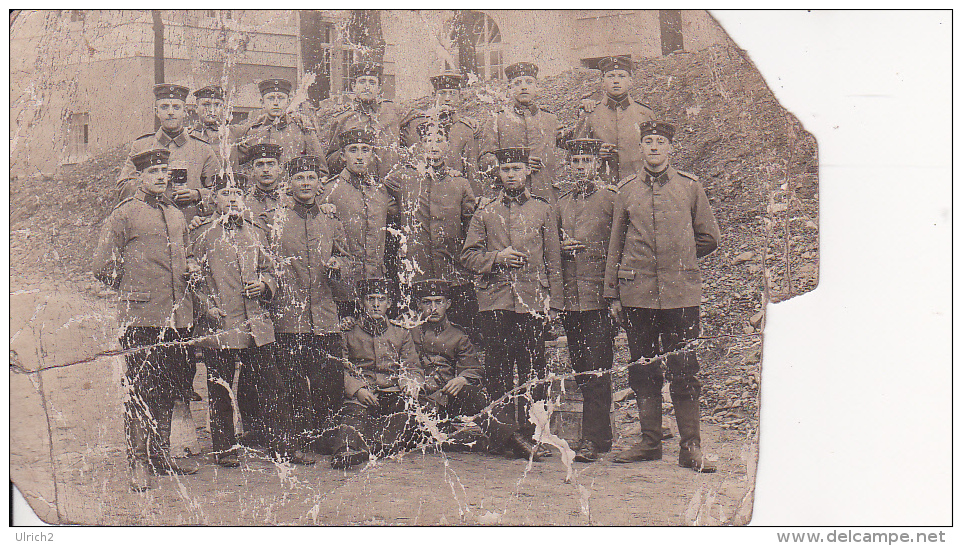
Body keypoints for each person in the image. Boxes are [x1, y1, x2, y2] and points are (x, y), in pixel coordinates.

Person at [604, 122, 721, 472]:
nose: (654, 148)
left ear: (671, 149)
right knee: (644, 368)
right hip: (637, 295)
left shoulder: (690, 187)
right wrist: (613, 294)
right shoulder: (625, 191)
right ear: (640, 148)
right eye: (648, 142)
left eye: (661, 142)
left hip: (680, 295)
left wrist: (679, 261)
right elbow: (615, 245)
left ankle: (691, 447)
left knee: (684, 369)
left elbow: (709, 237)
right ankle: (650, 442)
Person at [188, 174, 312, 466]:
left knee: (273, 385)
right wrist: (207, 308)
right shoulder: (202, 234)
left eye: (236, 192)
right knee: (220, 388)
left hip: (257, 324)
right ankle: (224, 447)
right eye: (224, 193)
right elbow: (191, 280)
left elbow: (272, 269)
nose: (231, 198)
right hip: (220, 323)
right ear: (213, 199)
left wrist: (265, 285)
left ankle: (282, 445)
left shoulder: (256, 230)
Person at [92, 148, 198, 491]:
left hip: (176, 317)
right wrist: (131, 291)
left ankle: (160, 454)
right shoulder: (125, 214)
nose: (160, 177)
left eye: (164, 171)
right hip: (140, 318)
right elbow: (102, 266)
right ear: (139, 177)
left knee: (167, 388)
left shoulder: (175, 213)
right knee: (139, 389)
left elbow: (185, 257)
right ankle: (138, 460)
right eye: (153, 172)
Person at [460, 147, 563, 447]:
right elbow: (468, 256)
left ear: (527, 171)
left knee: (534, 370)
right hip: (496, 302)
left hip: (532, 301)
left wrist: (555, 303)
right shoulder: (485, 212)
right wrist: (498, 258)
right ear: (498, 174)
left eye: (517, 169)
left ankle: (535, 433)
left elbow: (554, 260)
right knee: (498, 370)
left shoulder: (543, 210)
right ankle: (505, 435)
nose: (511, 175)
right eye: (506, 170)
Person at [270, 155, 353, 458]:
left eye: (311, 178)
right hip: (289, 316)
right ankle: (294, 440)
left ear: (320, 184)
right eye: (299, 178)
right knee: (290, 381)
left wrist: (337, 264)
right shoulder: (275, 220)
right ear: (289, 184)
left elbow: (346, 258)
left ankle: (328, 437)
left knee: (328, 381)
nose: (305, 183)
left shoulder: (331, 220)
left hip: (324, 314)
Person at [409, 279, 540, 460]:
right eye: (427, 302)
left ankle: (516, 440)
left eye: (438, 302)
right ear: (418, 304)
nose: (433, 308)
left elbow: (473, 368)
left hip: (445, 401)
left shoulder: (458, 335)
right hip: (418, 401)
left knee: (472, 394)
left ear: (448, 304)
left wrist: (462, 379)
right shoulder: (408, 333)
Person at [553, 138, 619, 463]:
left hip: (599, 298)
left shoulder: (610, 200)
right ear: (569, 166)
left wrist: (615, 294)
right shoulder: (561, 203)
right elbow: (549, 242)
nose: (581, 167)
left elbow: (621, 247)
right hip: (570, 299)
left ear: (598, 165)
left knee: (597, 368)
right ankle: (602, 435)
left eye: (587, 161)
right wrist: (561, 247)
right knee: (582, 369)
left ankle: (591, 439)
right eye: (576, 161)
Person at [383, 122, 479, 338]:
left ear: (447, 145)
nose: (433, 146)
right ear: (419, 146)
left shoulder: (460, 182)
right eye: (427, 141)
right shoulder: (403, 177)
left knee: (458, 332)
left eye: (439, 140)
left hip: (452, 270)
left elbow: (471, 223)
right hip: (418, 269)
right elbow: (379, 192)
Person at [331, 278, 423, 469]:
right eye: (370, 299)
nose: (375, 305)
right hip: (362, 393)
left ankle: (374, 446)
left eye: (381, 299)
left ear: (389, 303)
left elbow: (412, 366)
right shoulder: (348, 332)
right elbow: (339, 368)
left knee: (408, 412)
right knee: (352, 413)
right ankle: (345, 451)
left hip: (392, 390)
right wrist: (357, 390)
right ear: (362, 302)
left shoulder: (401, 333)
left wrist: (408, 385)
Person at [318, 128, 399, 318]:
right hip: (343, 288)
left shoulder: (382, 191)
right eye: (353, 150)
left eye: (365, 150)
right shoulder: (329, 190)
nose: (360, 156)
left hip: (375, 286)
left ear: (372, 155)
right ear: (343, 156)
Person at [117, 83, 219, 223]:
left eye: (176, 107)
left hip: (189, 223)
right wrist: (149, 182)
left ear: (185, 112)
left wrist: (196, 194)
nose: (170, 112)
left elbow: (221, 192)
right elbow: (123, 188)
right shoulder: (141, 146)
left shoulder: (202, 149)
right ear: (156, 111)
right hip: (148, 222)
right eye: (164, 107)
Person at [479, 62, 563, 203]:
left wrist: (584, 109)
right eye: (517, 83)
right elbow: (485, 160)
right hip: (509, 197)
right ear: (509, 88)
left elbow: (572, 143)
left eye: (529, 82)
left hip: (546, 195)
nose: (523, 87)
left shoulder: (551, 120)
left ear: (537, 87)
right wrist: (516, 164)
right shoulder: (497, 120)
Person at [572, 55, 655, 183]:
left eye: (621, 76)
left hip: (637, 186)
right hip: (602, 186)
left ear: (630, 81)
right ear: (602, 81)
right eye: (610, 76)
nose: (616, 81)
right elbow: (576, 154)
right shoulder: (590, 113)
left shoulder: (645, 114)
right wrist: (596, 152)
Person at [400, 71, 483, 195]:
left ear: (460, 97)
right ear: (434, 95)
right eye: (442, 93)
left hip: (452, 194)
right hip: (421, 192)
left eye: (453, 94)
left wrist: (476, 198)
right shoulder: (416, 124)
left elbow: (472, 171)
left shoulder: (465, 129)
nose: (447, 98)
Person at [324, 61, 403, 180]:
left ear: (379, 87)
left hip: (389, 187)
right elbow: (330, 161)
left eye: (372, 82)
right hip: (357, 187)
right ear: (353, 86)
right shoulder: (343, 119)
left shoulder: (393, 112)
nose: (367, 87)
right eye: (362, 81)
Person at [237, 78, 326, 174]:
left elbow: (321, 169)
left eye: (281, 98)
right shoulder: (252, 132)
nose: (276, 103)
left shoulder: (302, 129)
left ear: (288, 101)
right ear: (262, 102)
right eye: (270, 98)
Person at [191, 84, 246, 169]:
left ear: (223, 109)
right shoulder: (188, 135)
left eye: (217, 105)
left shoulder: (232, 133)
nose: (211, 110)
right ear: (196, 108)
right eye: (206, 104)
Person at [242, 143, 286, 228]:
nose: (265, 170)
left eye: (270, 164)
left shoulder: (289, 199)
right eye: (260, 165)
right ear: (252, 170)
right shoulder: (243, 202)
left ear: (280, 169)